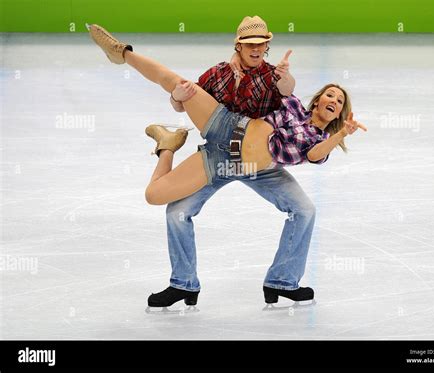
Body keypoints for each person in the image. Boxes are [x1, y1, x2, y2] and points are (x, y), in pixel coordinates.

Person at [87, 23, 367, 309]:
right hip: (222, 140)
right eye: (330, 94)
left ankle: (282, 280)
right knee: (166, 203)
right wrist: (177, 99)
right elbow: (185, 103)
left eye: (339, 99)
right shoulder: (278, 99)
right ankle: (124, 57)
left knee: (305, 210)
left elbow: (311, 148)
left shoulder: (318, 137)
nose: (333, 100)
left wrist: (341, 134)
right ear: (239, 46)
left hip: (262, 169)